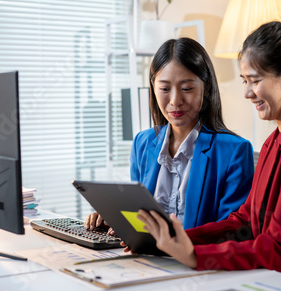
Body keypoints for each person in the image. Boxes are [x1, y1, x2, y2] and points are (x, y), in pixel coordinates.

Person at [136, 22, 281, 291]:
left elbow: (279, 248)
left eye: (255, 80)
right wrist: (175, 240)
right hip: (280, 283)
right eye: (244, 81)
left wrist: (194, 256)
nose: (248, 93)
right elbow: (244, 220)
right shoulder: (277, 139)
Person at [85, 37, 254, 231]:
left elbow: (232, 229)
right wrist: (116, 219)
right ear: (153, 88)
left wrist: (174, 243)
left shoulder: (234, 150)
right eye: (165, 88)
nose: (175, 100)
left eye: (187, 89)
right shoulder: (143, 142)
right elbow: (138, 216)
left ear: (206, 88)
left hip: (196, 259)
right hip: (144, 257)